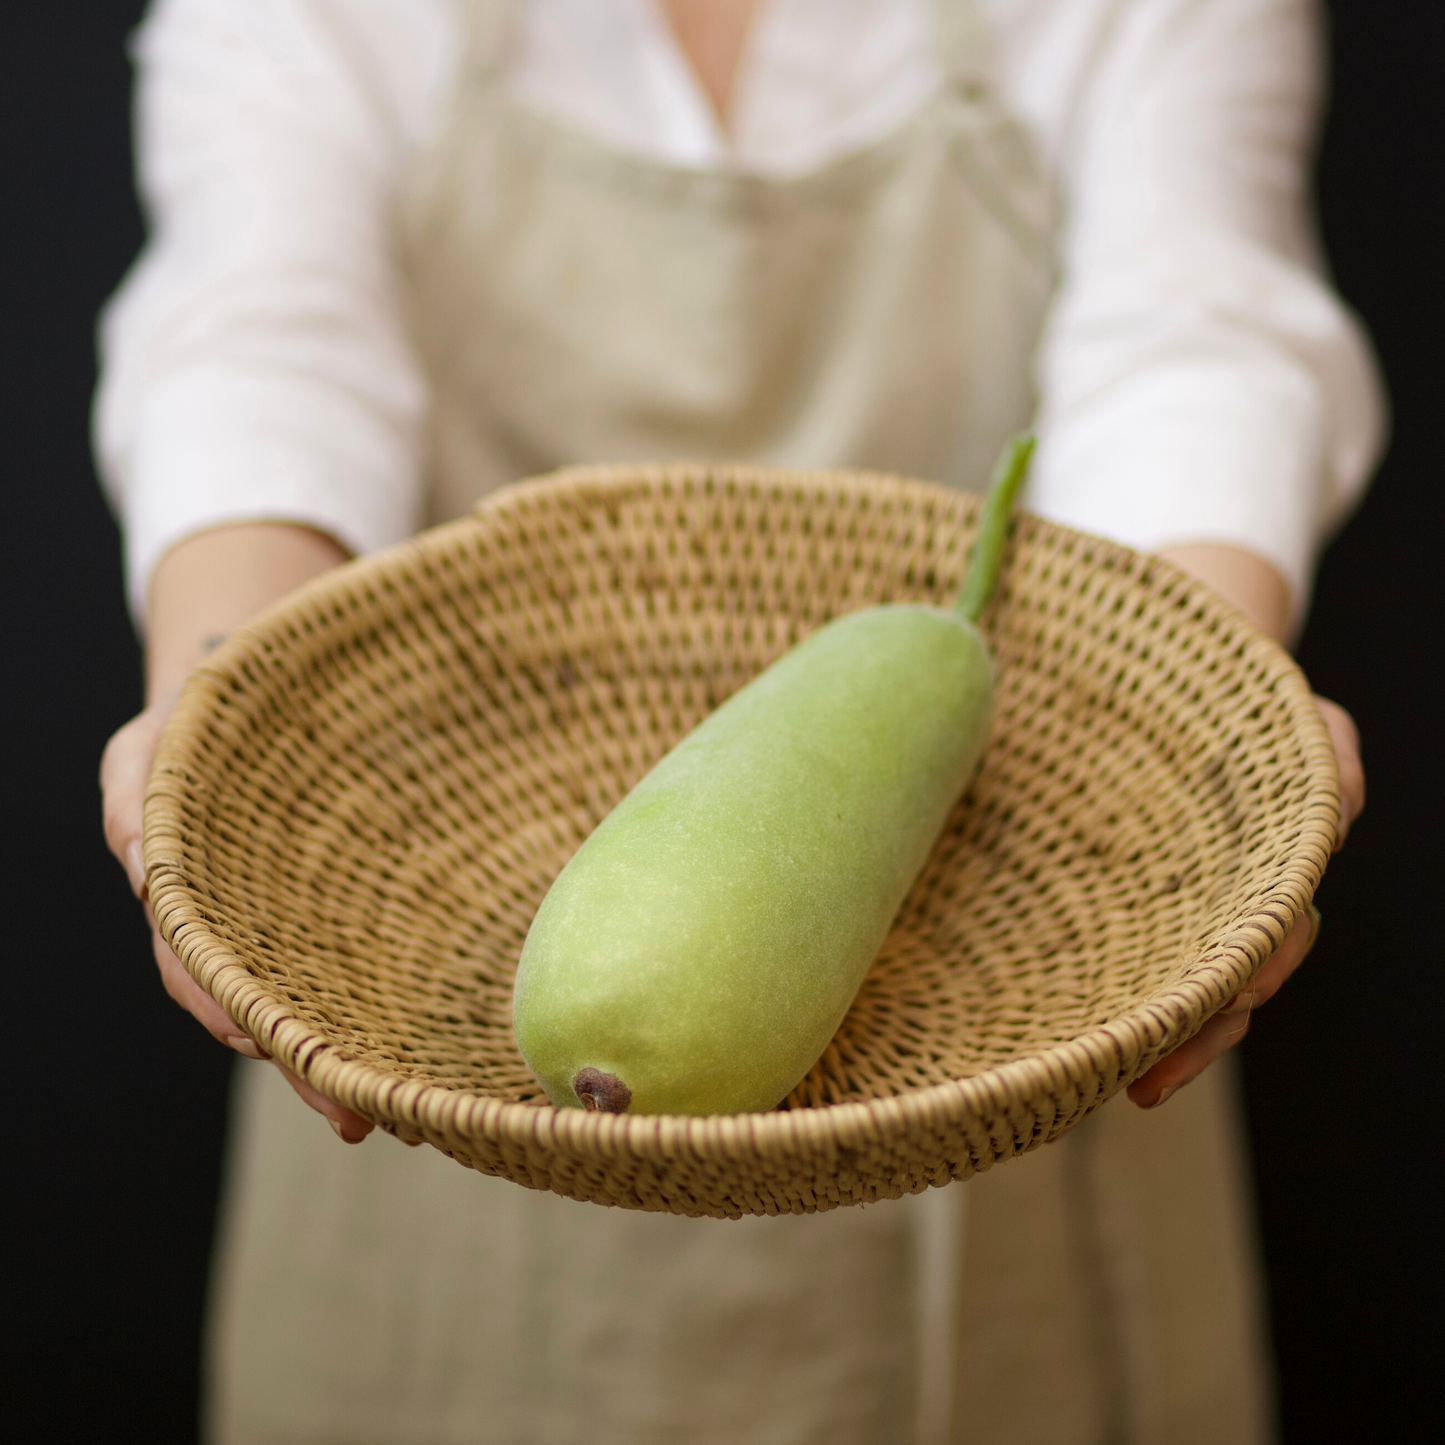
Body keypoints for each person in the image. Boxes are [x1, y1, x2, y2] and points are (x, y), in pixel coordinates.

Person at [97, 1, 1378, 1441]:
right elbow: (259, 340)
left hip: (1029, 1053)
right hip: (419, 1077)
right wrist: (219, 694)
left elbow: (1197, 339)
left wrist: (1189, 704)